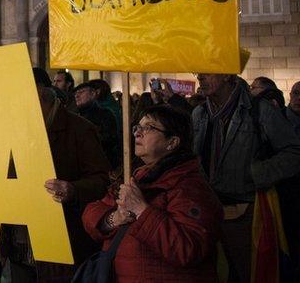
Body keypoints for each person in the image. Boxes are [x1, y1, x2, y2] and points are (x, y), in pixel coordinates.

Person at [83, 105, 223, 281]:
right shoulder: (135, 176)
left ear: (172, 142)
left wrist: (142, 210)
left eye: (148, 127)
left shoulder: (191, 188)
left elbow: (187, 248)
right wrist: (113, 219)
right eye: (137, 127)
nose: (137, 133)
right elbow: (92, 212)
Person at [193, 73, 300, 283]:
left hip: (247, 212)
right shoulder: (200, 112)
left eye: (207, 72)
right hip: (206, 211)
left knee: (248, 273)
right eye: (198, 73)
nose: (201, 78)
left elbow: (294, 152)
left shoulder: (259, 110)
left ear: (227, 75)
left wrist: (256, 174)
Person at [36, 86, 111, 281]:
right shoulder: (17, 130)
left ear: (42, 99)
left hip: (63, 237)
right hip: (22, 245)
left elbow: (101, 180)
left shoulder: (80, 129)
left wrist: (73, 189)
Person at [74, 82, 121, 170]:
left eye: (81, 92)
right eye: (76, 93)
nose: (77, 95)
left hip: (100, 165)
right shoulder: (74, 115)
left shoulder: (105, 114)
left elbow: (111, 139)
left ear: (93, 94)